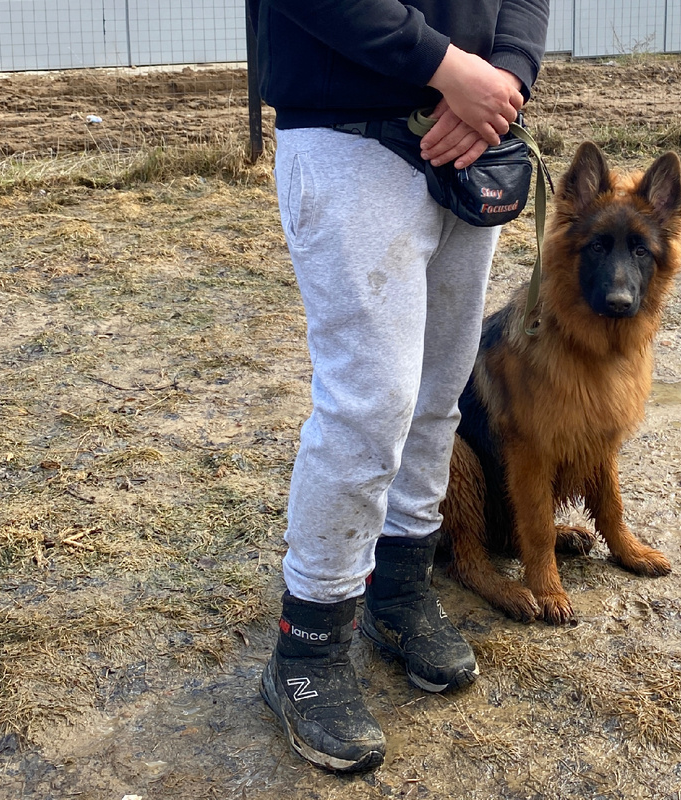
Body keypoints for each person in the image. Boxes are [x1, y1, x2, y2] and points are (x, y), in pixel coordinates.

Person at [247, 0, 550, 774]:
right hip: (349, 134)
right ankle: (307, 650)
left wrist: (504, 80)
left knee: (439, 392)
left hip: (472, 136)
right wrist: (449, 69)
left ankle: (400, 588)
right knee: (369, 405)